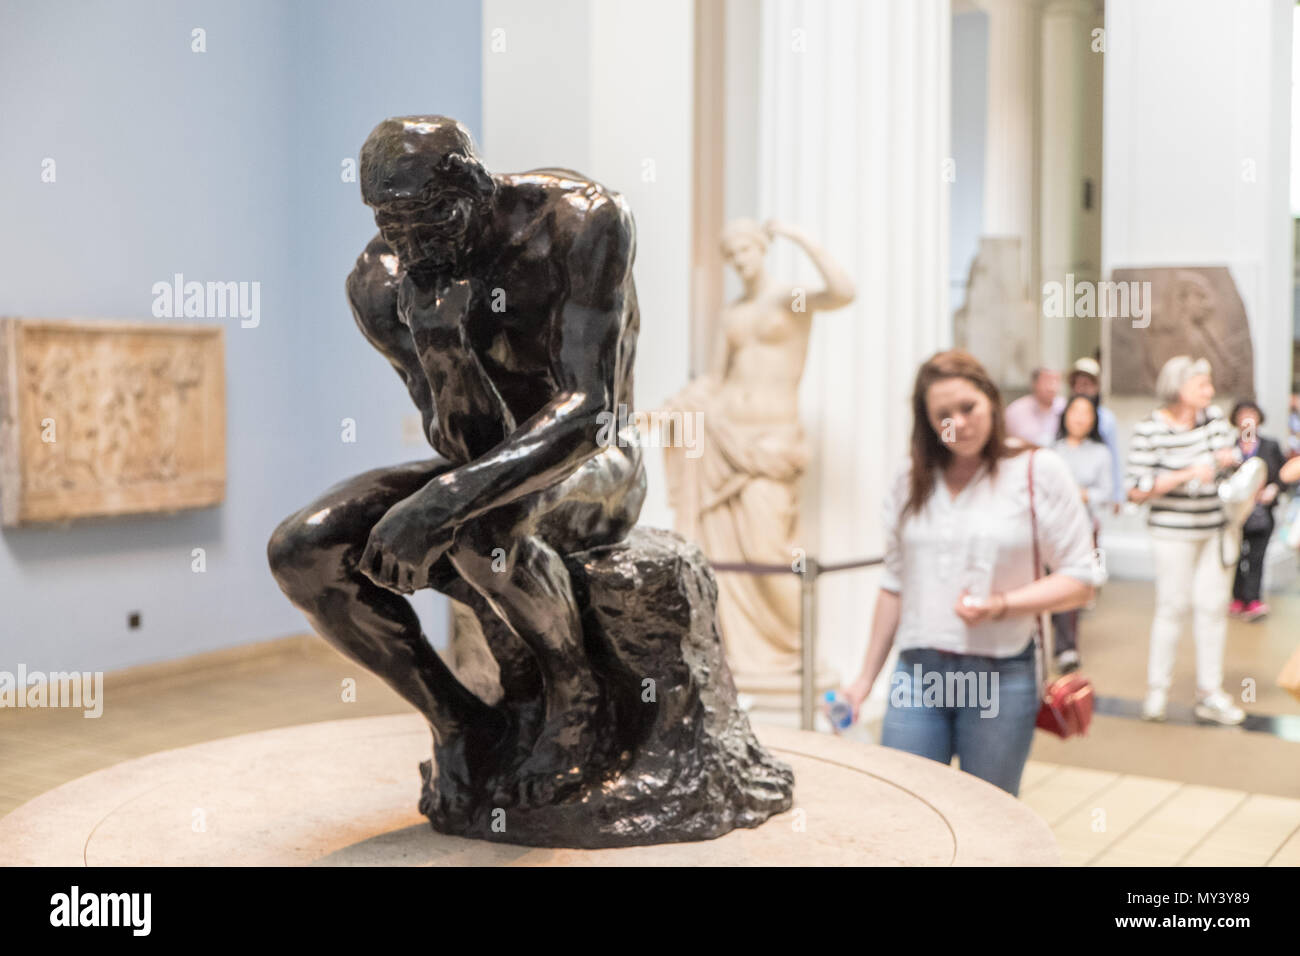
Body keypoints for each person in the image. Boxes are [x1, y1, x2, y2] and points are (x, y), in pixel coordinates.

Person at [268, 116, 646, 806]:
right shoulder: (381, 282)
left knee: (479, 527)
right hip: (491, 459)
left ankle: (576, 696)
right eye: (393, 223)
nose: (412, 244)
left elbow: (592, 413)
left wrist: (445, 503)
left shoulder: (579, 223)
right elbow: (460, 449)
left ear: (475, 185)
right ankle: (458, 722)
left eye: (431, 220)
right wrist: (444, 345)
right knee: (302, 549)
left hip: (600, 461)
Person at [841, 350, 1099, 797]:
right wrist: (863, 680)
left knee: (990, 815)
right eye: (943, 414)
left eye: (968, 408)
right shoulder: (910, 480)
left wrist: (1002, 605)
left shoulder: (1038, 470)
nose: (958, 423)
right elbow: (894, 584)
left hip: (1001, 673)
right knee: (904, 807)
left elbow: (1082, 578)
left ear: (992, 402)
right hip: (918, 671)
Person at [1126, 356, 1244, 725]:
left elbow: (1235, 461)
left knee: (1211, 609)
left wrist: (1230, 459)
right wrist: (1185, 474)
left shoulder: (1215, 423)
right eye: (1201, 385)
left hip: (1215, 530)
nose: (1209, 391)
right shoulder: (1150, 429)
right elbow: (1135, 489)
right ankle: (1157, 691)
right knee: (1172, 607)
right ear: (1179, 388)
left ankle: (1210, 693)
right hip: (1172, 533)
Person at [1049, 394, 1112, 671]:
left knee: (1067, 586)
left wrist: (1081, 494)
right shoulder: (1050, 450)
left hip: (1079, 529)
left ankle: (1066, 648)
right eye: (1075, 411)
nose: (1079, 418)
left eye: (1086, 413)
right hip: (1047, 527)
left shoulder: (1100, 453)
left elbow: (1105, 493)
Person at [1228, 401, 1290, 621]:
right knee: (1235, 556)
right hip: (1236, 515)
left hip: (1262, 513)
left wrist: (1274, 489)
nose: (1247, 419)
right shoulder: (1229, 448)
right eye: (1242, 414)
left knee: (1256, 557)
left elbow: (1285, 474)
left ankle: (1252, 599)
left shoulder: (1270, 446)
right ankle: (1236, 597)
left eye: (1251, 414)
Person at [1066, 357, 1123, 513]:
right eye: (1077, 383)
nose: (1081, 388)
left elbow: (1114, 457)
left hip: (1093, 493)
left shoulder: (1106, 419)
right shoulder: (1062, 413)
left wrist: (1118, 495)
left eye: (1087, 384)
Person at [1005, 367, 1065, 447]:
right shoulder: (1016, 410)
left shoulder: (1065, 407)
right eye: (1047, 381)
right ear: (1034, 384)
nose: (1052, 387)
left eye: (1056, 381)